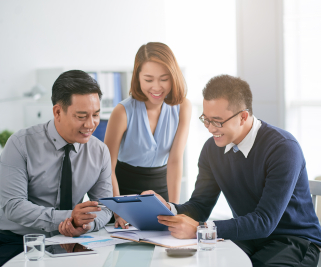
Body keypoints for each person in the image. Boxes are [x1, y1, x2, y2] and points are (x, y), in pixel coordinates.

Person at [143, 75, 321, 267]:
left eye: (217, 121)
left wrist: (200, 229)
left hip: (294, 241)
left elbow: (264, 221)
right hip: (248, 236)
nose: (210, 129)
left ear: (243, 117)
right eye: (206, 119)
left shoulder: (283, 148)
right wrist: (168, 209)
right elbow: (200, 206)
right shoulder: (212, 149)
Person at [0, 70, 113, 266]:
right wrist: (69, 217)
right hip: (17, 241)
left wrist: (85, 224)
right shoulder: (20, 144)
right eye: (81, 116)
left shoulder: (99, 151)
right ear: (58, 112)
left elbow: (105, 206)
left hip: (72, 241)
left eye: (95, 115)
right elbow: (13, 206)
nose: (91, 124)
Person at [104, 42, 191, 228]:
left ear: (173, 77)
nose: (157, 87)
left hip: (161, 194)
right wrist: (119, 211)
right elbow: (107, 167)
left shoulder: (183, 107)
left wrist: (173, 209)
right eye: (149, 80)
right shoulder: (121, 112)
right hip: (124, 195)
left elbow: (175, 160)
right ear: (138, 78)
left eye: (164, 79)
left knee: (163, 249)